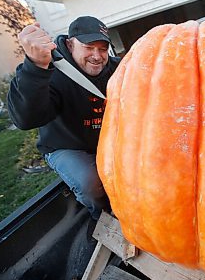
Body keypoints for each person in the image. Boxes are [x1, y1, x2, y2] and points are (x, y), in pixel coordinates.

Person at [8, 16, 121, 219]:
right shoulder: (47, 71)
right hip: (66, 145)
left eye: (103, 49)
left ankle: (131, 212)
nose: (97, 56)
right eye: (89, 47)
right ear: (70, 44)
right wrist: (35, 66)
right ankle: (105, 220)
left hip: (109, 141)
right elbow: (26, 119)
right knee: (90, 184)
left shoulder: (118, 69)